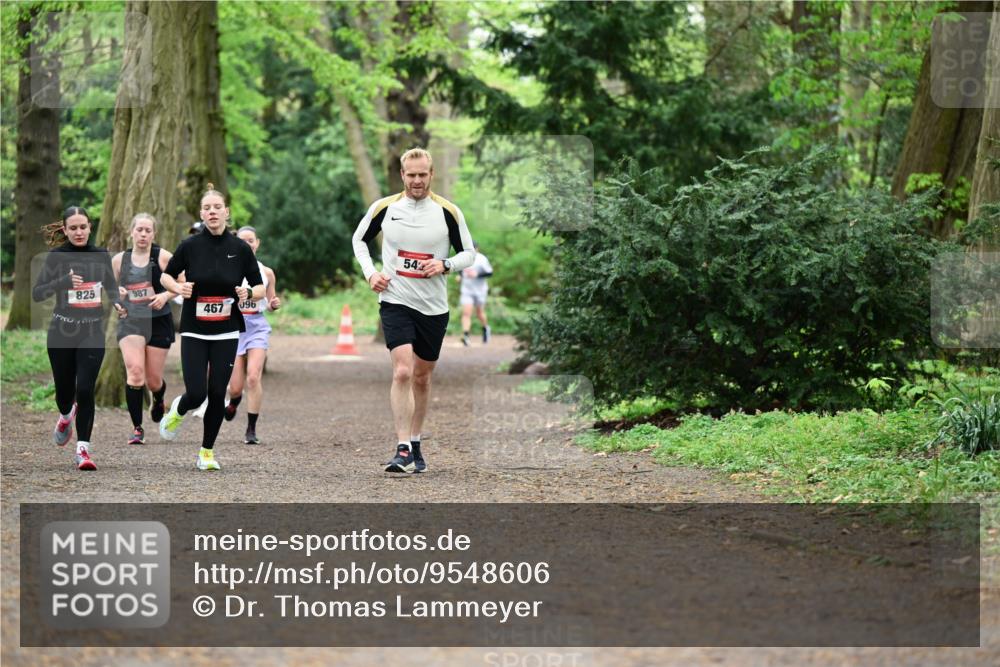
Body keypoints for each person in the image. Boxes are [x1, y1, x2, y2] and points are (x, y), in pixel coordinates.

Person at [352, 147, 475, 473]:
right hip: (395, 301)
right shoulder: (385, 207)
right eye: (411, 175)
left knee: (422, 377)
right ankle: (403, 448)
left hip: (433, 308)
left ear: (431, 175)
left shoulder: (448, 212)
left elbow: (469, 254)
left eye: (423, 174)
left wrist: (445, 264)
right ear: (402, 175)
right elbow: (359, 240)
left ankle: (416, 442)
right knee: (403, 371)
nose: (417, 180)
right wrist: (371, 273)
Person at [158, 185, 264, 471]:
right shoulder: (190, 246)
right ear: (201, 214)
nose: (212, 212)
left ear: (226, 212)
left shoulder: (240, 249)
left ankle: (206, 452)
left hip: (227, 329)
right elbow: (165, 277)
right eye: (207, 208)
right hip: (194, 328)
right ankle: (179, 409)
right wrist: (178, 286)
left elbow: (260, 286)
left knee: (218, 392)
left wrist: (249, 294)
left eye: (217, 207)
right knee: (197, 393)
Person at [32, 206, 126, 471]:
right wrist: (63, 282)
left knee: (84, 389)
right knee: (65, 393)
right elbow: (38, 293)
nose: (79, 232)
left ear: (89, 227)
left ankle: (82, 450)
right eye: (73, 228)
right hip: (62, 331)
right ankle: (65, 415)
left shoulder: (100, 255)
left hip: (92, 331)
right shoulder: (56, 257)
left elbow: (109, 286)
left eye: (83, 226)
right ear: (65, 230)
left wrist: (118, 303)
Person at [112, 213, 176, 445]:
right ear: (131, 232)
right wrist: (117, 302)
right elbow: (111, 291)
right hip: (131, 321)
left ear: (153, 234)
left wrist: (165, 294)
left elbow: (184, 282)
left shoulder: (163, 257)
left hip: (159, 321)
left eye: (148, 230)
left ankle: (158, 398)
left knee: (153, 380)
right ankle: (137, 428)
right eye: (139, 229)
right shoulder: (120, 260)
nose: (143, 234)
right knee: (136, 372)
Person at [224, 226, 280, 445]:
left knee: (254, 376)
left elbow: (271, 300)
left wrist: (274, 304)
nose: (247, 244)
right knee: (235, 386)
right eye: (242, 240)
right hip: (234, 327)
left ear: (258, 243)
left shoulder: (266, 273)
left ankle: (251, 429)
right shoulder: (227, 269)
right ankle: (235, 400)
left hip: (257, 326)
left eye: (251, 240)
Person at [458, 241, 493, 346]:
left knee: (479, 313)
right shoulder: (463, 257)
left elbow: (490, 272)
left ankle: (486, 328)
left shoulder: (482, 259)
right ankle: (466, 336)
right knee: (466, 313)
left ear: (477, 249)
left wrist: (477, 274)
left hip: (480, 290)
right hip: (467, 290)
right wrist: (460, 276)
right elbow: (460, 269)